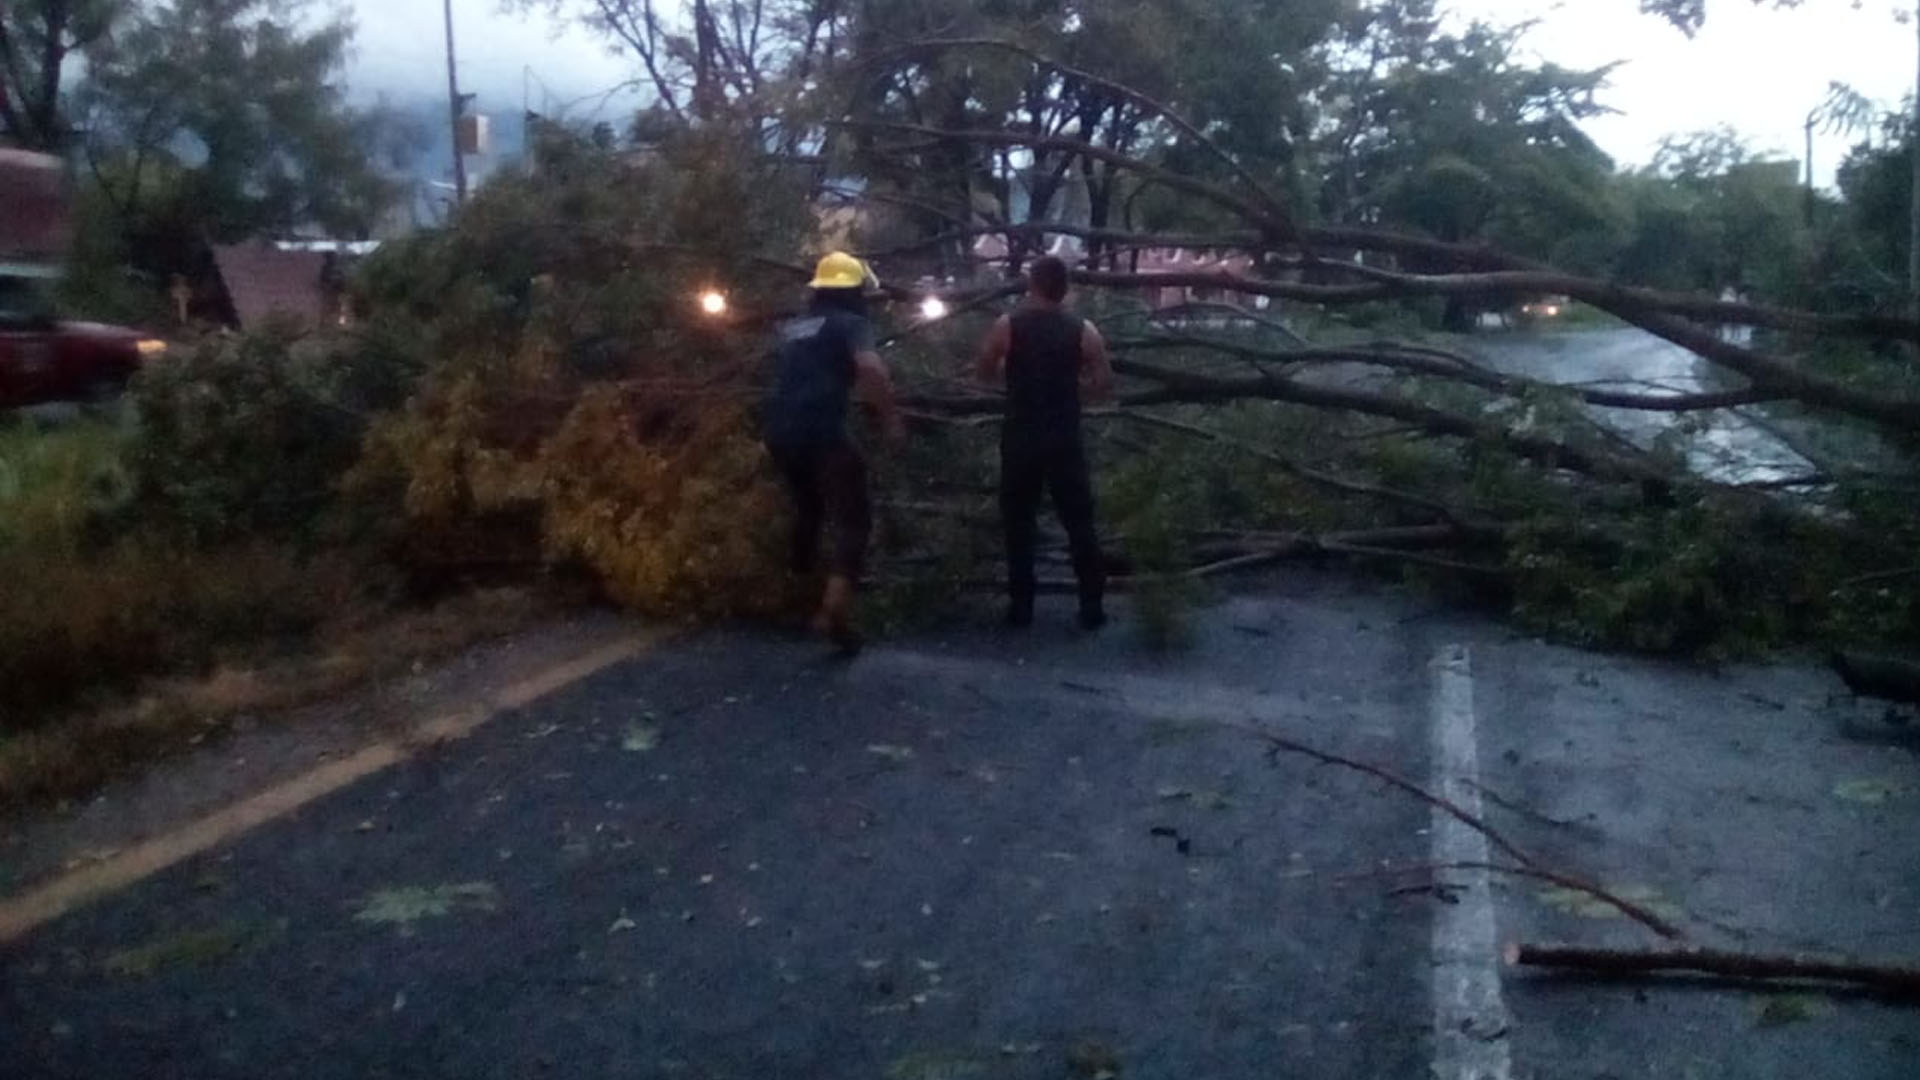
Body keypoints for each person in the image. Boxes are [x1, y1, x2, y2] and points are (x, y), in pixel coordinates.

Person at [762, 251, 905, 653]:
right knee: (854, 517)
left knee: (808, 509)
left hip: (779, 432)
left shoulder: (793, 327)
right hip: (823, 432)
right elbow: (872, 370)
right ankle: (836, 606)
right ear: (854, 290)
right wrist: (890, 418)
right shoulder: (851, 323)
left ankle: (797, 592)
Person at [975, 254, 1114, 629]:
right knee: (1079, 520)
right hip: (1064, 436)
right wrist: (1073, 388)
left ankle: (1021, 607)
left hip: (1021, 435)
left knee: (1019, 521)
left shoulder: (1008, 325)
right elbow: (1103, 384)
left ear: (1032, 285)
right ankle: (1091, 604)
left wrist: (1009, 374)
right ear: (1064, 288)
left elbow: (984, 370)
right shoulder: (1084, 330)